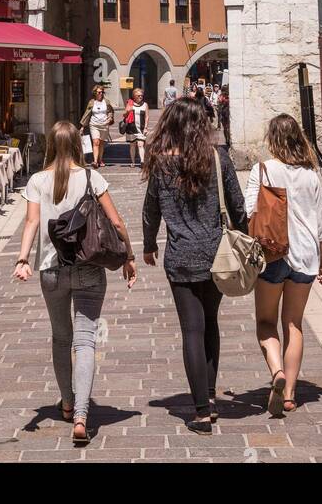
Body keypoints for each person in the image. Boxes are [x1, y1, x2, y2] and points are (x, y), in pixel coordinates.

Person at [14, 121, 136, 446]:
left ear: (52, 146)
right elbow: (117, 222)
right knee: (85, 341)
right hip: (90, 268)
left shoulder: (38, 180)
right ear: (77, 145)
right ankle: (82, 416)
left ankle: (67, 403)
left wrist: (23, 259)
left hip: (51, 270)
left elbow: (31, 221)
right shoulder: (91, 177)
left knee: (60, 337)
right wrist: (129, 257)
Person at [142, 97, 247, 433]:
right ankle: (211, 397)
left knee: (192, 329)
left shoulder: (160, 162)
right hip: (217, 255)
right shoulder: (219, 158)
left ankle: (201, 411)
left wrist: (147, 245)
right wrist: (244, 238)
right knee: (211, 323)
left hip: (181, 256)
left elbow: (151, 210)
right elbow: (238, 206)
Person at [245, 114, 322, 418]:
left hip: (273, 255)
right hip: (306, 256)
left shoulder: (263, 170)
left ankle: (277, 370)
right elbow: (321, 224)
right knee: (294, 324)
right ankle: (291, 394)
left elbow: (249, 210)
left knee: (265, 322)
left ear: (272, 139)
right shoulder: (312, 175)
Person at [80, 83, 115, 167]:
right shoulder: (92, 102)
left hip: (104, 125)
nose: (100, 94)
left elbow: (110, 111)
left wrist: (109, 118)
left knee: (101, 143)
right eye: (99, 92)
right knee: (96, 142)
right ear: (95, 93)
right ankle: (95, 161)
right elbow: (87, 114)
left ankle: (100, 160)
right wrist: (82, 126)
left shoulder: (106, 102)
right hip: (94, 124)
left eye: (102, 92)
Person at [125, 86, 149, 168]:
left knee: (140, 144)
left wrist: (146, 127)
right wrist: (128, 111)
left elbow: (147, 116)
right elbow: (124, 115)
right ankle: (133, 161)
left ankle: (142, 161)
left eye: (141, 95)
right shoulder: (130, 104)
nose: (140, 97)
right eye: (138, 96)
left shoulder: (145, 105)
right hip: (131, 128)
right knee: (132, 145)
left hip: (141, 128)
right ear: (134, 96)